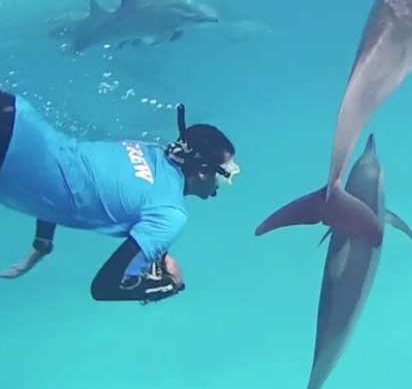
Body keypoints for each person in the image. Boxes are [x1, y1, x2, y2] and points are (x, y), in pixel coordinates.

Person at [0, 89, 239, 304]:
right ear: (203, 171)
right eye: (225, 174)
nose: (224, 182)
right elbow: (104, 288)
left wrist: (42, 244)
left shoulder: (149, 149)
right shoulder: (171, 215)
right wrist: (169, 284)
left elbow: (71, 175)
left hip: (16, 113)